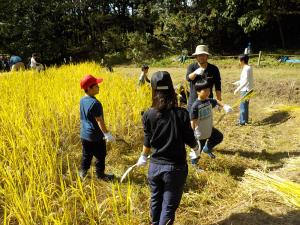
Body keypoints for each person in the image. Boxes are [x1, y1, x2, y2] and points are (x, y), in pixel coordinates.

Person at [136, 71, 200, 225]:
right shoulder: (181, 114)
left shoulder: (148, 114)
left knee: (156, 200)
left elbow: (147, 139)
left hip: (155, 167)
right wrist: (197, 149)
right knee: (168, 207)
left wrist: (143, 157)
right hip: (175, 169)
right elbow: (190, 139)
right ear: (172, 88)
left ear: (153, 89)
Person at [79, 74, 116, 180]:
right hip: (95, 136)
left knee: (87, 154)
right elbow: (99, 120)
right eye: (96, 85)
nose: (98, 87)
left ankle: (83, 173)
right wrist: (107, 134)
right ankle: (100, 175)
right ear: (89, 88)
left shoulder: (82, 100)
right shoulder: (95, 103)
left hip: (84, 134)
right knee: (100, 155)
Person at [190, 79, 232, 160]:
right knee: (197, 151)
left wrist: (224, 106)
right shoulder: (196, 106)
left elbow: (216, 101)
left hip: (209, 129)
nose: (208, 92)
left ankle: (207, 149)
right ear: (198, 92)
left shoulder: (208, 101)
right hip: (200, 133)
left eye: (209, 90)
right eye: (205, 90)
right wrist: (192, 134)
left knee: (218, 137)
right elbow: (193, 121)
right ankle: (194, 164)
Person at [186, 45, 222, 112]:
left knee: (206, 120)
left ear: (207, 56)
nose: (200, 57)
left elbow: (218, 85)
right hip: (193, 100)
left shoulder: (214, 69)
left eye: (203, 55)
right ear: (196, 57)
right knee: (192, 121)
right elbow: (188, 78)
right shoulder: (192, 67)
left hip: (207, 101)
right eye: (199, 55)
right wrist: (195, 73)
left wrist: (219, 101)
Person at [233, 54, 254, 125]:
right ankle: (244, 120)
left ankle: (242, 122)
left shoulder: (246, 68)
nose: (239, 62)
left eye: (239, 60)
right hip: (248, 89)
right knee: (244, 106)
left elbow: (245, 81)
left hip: (246, 90)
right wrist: (237, 82)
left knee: (243, 106)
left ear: (242, 61)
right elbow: (244, 79)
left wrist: (237, 89)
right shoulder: (247, 68)